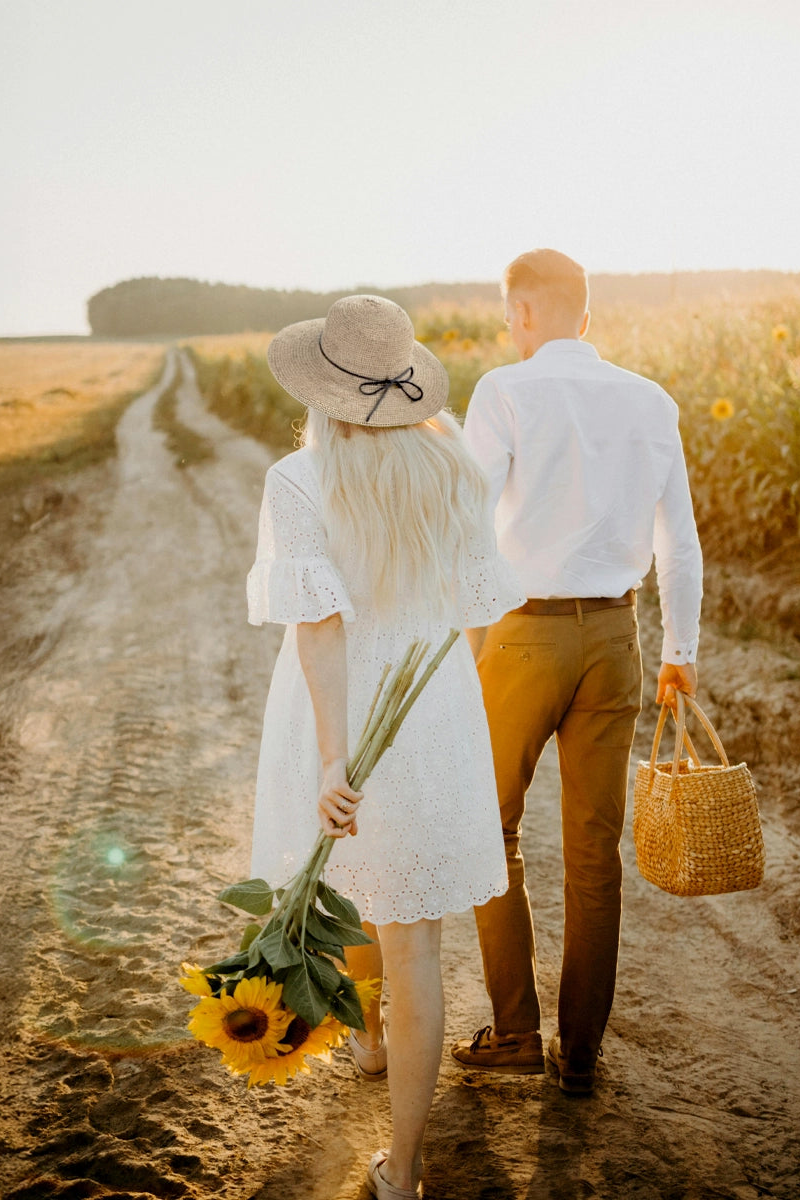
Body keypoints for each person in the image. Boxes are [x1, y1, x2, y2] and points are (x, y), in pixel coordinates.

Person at [246, 294, 524, 1198]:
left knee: (352, 889)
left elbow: (318, 628)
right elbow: (476, 624)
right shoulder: (456, 470)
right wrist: (442, 709)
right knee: (417, 947)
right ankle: (401, 1173)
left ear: (324, 389)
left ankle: (366, 1045)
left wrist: (335, 759)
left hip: (342, 708)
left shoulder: (298, 481)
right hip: (434, 713)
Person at [451, 248, 703, 1095]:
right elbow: (682, 542)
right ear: (584, 317)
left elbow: (468, 523)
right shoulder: (651, 400)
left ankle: (517, 1030)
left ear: (522, 314)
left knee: (491, 833)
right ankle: (583, 1053)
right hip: (618, 639)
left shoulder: (504, 391)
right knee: (596, 853)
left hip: (526, 635)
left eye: (508, 314)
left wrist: (468, 633)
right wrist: (681, 655)